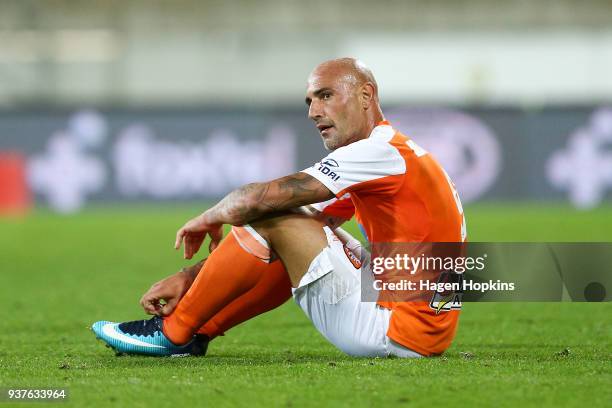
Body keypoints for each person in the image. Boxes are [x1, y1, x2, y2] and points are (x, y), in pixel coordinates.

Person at [92, 57, 466, 358]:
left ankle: (172, 334)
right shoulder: (393, 152)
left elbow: (260, 200)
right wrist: (190, 277)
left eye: (326, 96)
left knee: (274, 214)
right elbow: (311, 223)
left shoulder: (375, 153)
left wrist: (207, 218)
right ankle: (197, 330)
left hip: (395, 331)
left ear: (366, 96)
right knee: (300, 225)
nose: (313, 112)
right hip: (425, 325)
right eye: (310, 101)